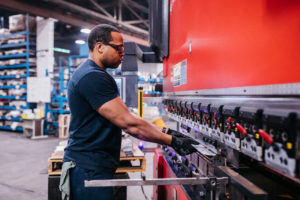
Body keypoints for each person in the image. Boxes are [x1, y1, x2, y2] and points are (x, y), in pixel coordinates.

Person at [59, 24, 198, 200]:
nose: (123, 53)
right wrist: (172, 141)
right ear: (100, 47)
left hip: (93, 165)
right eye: (118, 48)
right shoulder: (92, 77)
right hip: (89, 169)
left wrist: (166, 131)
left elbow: (126, 116)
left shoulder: (94, 74)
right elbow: (128, 123)